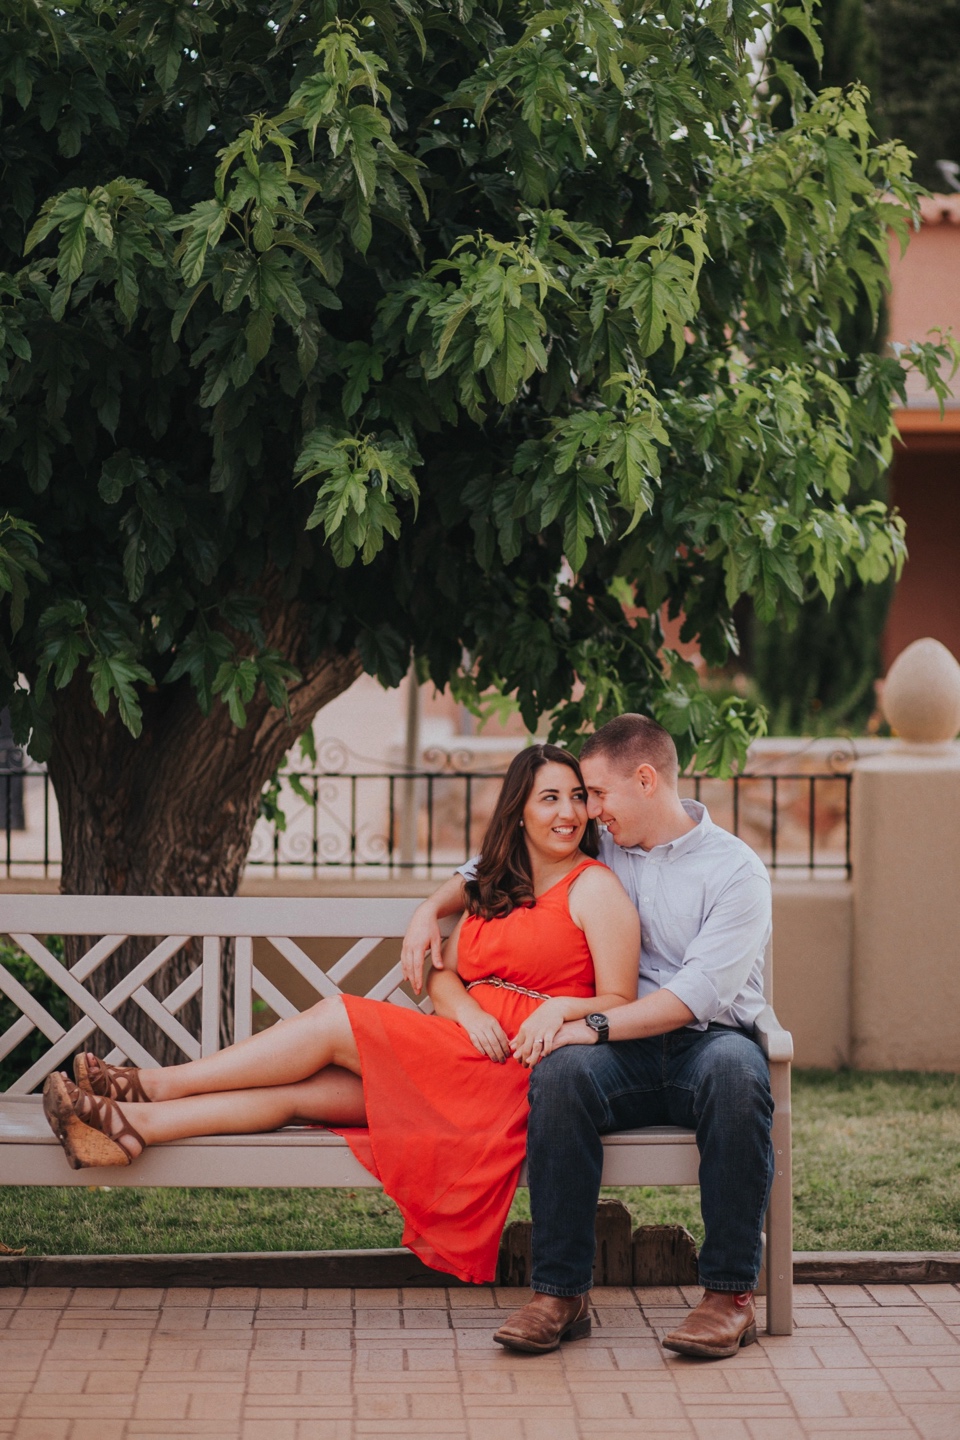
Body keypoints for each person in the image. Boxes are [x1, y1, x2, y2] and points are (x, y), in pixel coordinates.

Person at [42, 744, 640, 1285]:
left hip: (512, 1071)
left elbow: (620, 1003)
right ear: (518, 811)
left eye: (578, 797)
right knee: (297, 1096)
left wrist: (559, 1008)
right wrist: (464, 1011)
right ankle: (131, 1130)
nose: (569, 811)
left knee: (336, 1020)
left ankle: (150, 1084)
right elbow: (443, 973)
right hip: (460, 1049)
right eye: (550, 798)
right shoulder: (495, 887)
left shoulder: (594, 889)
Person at [402, 713, 774, 1359]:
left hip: (706, 1041)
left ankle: (727, 1297)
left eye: (596, 793)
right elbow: (490, 863)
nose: (586, 809)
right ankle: (561, 1293)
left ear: (647, 780)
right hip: (622, 1051)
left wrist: (587, 1021)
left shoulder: (736, 871)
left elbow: (694, 999)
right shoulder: (608, 845)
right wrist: (426, 911)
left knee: (738, 1075)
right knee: (560, 1074)